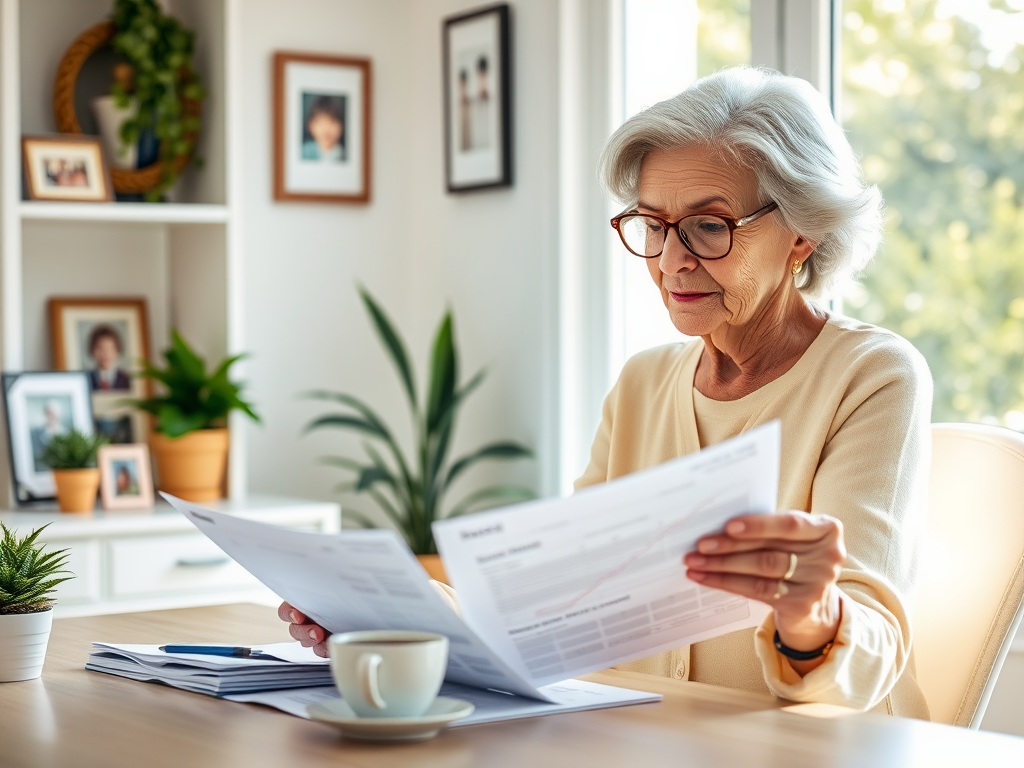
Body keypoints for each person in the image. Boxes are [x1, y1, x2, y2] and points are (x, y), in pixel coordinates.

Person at [280, 67, 932, 719]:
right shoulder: (643, 384)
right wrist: (387, 618)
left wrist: (813, 615)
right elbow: (553, 612)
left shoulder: (872, 375)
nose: (671, 260)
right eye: (652, 224)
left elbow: (869, 652)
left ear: (801, 233)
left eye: (709, 226)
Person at [301, 95, 345, 162]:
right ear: (310, 125)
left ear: (341, 126)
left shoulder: (345, 155)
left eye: (332, 121)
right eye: (320, 122)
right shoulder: (303, 153)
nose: (326, 128)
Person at [87, 325, 131, 392]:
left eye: (111, 349)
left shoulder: (126, 379)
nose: (106, 354)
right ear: (93, 350)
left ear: (117, 350)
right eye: (101, 349)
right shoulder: (87, 378)